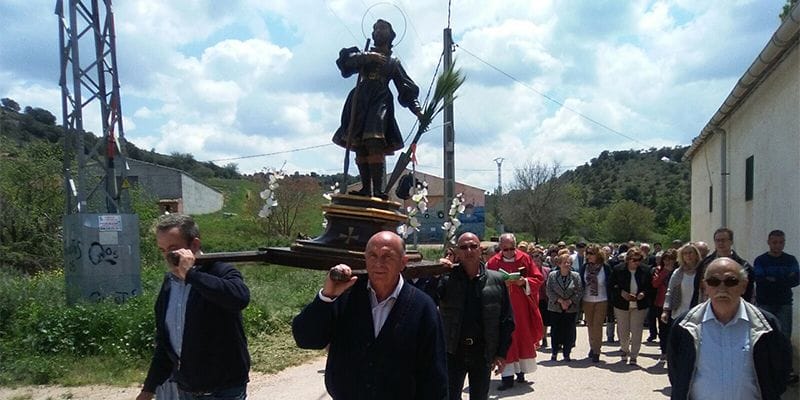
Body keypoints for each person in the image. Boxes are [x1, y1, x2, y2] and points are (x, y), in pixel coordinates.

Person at [291, 231, 448, 399]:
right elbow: (306, 339)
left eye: (387, 256)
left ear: (403, 262)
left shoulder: (423, 307)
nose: (378, 263)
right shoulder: (345, 296)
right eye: (373, 256)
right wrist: (326, 298)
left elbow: (435, 377)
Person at [137, 214, 250, 400]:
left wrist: (191, 275)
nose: (167, 257)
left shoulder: (219, 271)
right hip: (187, 390)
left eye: (173, 250)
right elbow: (166, 343)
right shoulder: (169, 284)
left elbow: (239, 298)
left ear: (194, 245)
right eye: (162, 250)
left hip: (224, 391)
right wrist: (148, 389)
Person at [668, 258, 792, 400]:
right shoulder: (684, 326)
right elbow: (677, 375)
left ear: (744, 286)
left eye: (731, 281)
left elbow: (780, 373)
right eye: (714, 281)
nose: (722, 288)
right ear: (705, 286)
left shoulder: (767, 325)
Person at [332, 19, 423, 199]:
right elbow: (346, 64)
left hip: (380, 101)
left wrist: (418, 110)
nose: (378, 31)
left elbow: (405, 87)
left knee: (374, 141)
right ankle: (366, 189)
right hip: (360, 100)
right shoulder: (364, 55)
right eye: (375, 29)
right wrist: (367, 57)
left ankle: (378, 190)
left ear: (391, 34)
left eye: (382, 28)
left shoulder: (393, 62)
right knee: (359, 143)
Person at [438, 232, 514, 400]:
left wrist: (501, 353)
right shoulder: (446, 279)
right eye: (464, 247)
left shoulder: (496, 280)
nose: (469, 251)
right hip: (453, 352)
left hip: (482, 352)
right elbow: (426, 300)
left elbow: (507, 320)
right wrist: (436, 271)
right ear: (457, 252)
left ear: (480, 250)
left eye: (473, 246)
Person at [486, 233, 544, 390]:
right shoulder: (493, 262)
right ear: (500, 248)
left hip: (521, 308)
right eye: (505, 249)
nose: (509, 252)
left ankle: (521, 372)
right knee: (506, 339)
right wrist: (500, 284)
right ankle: (507, 377)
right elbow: (486, 282)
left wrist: (524, 281)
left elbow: (538, 278)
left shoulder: (525, 258)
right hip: (502, 307)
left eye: (512, 248)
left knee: (521, 337)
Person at [753, 229, 800, 384]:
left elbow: (796, 280)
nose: (778, 245)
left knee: (784, 337)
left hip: (784, 303)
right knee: (764, 336)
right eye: (774, 242)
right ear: (769, 242)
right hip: (765, 303)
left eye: (781, 242)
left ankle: (787, 370)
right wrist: (783, 279)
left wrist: (773, 279)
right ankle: (765, 369)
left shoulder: (790, 260)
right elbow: (760, 280)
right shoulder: (761, 261)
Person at [609, 246, 653, 365]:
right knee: (623, 331)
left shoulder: (645, 270)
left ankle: (634, 355)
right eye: (634, 260)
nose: (636, 262)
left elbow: (650, 287)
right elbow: (611, 285)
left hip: (639, 305)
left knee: (637, 331)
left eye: (639, 260)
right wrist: (621, 292)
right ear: (628, 259)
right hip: (621, 304)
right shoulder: (618, 269)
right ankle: (624, 350)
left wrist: (643, 293)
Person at [697, 228, 755, 302]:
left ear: (731, 242)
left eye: (723, 240)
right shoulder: (705, 264)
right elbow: (698, 289)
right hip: (709, 304)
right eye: (717, 240)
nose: (720, 243)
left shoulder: (743, 266)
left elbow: (749, 291)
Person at [546, 253, 583, 362]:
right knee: (555, 331)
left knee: (569, 331)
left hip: (571, 308)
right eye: (564, 262)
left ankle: (567, 353)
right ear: (559, 264)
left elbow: (579, 291)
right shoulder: (552, 275)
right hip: (555, 307)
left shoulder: (575, 276)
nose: (567, 264)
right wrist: (560, 301)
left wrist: (569, 301)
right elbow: (549, 290)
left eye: (569, 262)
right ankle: (554, 352)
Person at [579, 244, 611, 363]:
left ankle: (597, 351)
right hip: (587, 300)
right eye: (587, 253)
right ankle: (592, 346)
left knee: (597, 326)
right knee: (590, 326)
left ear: (598, 254)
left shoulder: (605, 268)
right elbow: (581, 283)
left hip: (601, 299)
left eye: (591, 253)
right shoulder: (585, 267)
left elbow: (609, 283)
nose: (589, 256)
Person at [661, 243, 703, 326]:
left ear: (696, 254)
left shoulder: (702, 272)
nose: (688, 255)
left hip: (698, 313)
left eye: (690, 252)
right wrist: (665, 310)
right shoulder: (678, 273)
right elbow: (670, 292)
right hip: (679, 313)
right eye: (685, 253)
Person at [651, 248, 677, 359]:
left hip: (676, 303)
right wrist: (665, 271)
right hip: (661, 303)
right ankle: (664, 350)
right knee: (663, 329)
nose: (668, 262)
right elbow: (655, 284)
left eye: (670, 259)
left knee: (674, 328)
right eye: (665, 259)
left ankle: (673, 351)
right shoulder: (658, 269)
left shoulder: (679, 271)